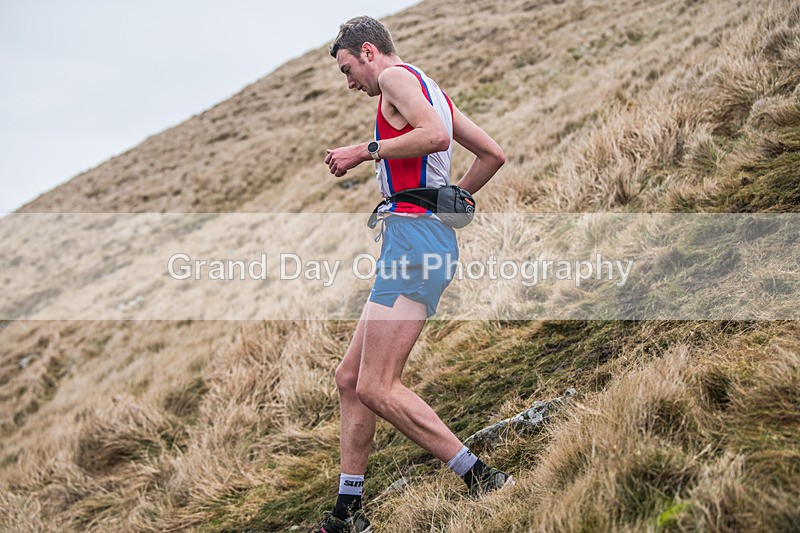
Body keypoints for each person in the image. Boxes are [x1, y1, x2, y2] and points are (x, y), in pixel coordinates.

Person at [317, 15, 510, 533]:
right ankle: (348, 511)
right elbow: (492, 154)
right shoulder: (430, 88)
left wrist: (366, 150)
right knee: (352, 379)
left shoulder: (398, 80)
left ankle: (481, 477)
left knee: (378, 385)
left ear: (367, 52)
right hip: (418, 236)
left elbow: (435, 135)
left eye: (347, 69)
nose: (349, 81)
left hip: (414, 241)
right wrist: (451, 199)